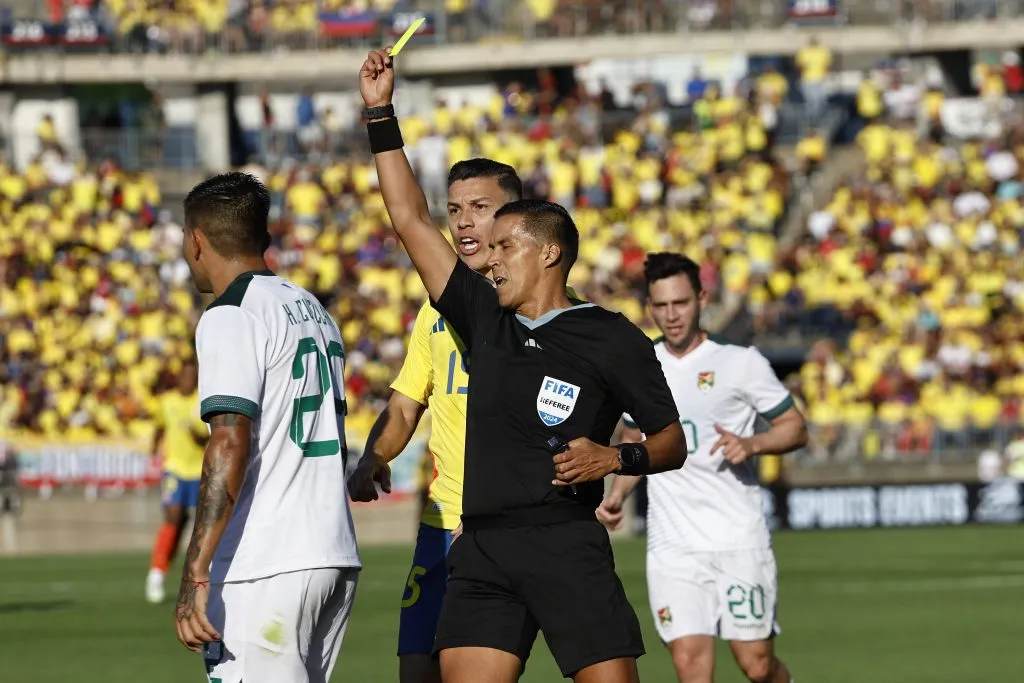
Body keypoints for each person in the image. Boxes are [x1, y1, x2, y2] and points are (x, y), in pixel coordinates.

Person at [359, 48, 687, 683]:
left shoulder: (611, 336)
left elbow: (673, 442)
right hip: (480, 549)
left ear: (551, 253)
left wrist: (615, 458)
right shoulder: (484, 319)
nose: (487, 252)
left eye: (507, 244)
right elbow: (408, 219)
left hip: (567, 543)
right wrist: (379, 112)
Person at [172, 172, 360, 683]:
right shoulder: (314, 310)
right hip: (331, 551)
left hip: (267, 559)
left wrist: (195, 569)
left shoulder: (231, 313)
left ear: (196, 240)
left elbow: (229, 439)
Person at [347, 157, 529, 683]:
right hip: (442, 522)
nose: (464, 222)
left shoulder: (547, 311)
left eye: (479, 208)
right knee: (417, 670)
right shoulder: (434, 313)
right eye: (454, 210)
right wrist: (374, 457)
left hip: (512, 527)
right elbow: (406, 404)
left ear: (513, 216)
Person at [597, 253, 808, 683]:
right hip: (674, 547)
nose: (671, 316)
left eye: (681, 303)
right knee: (690, 666)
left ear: (702, 299)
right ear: (650, 308)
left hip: (737, 538)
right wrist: (617, 494)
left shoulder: (740, 362)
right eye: (661, 306)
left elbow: (795, 428)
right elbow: (640, 444)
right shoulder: (642, 364)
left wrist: (753, 443)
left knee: (757, 665)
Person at [146, 359, 208, 604]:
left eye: (193, 376)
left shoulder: (201, 402)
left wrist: (196, 435)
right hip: (174, 469)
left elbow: (208, 438)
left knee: (194, 524)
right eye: (186, 376)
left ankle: (200, 576)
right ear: (179, 377)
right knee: (173, 517)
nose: (189, 380)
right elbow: (159, 428)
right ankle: (156, 574)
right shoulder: (167, 401)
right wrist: (153, 451)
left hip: (200, 470)